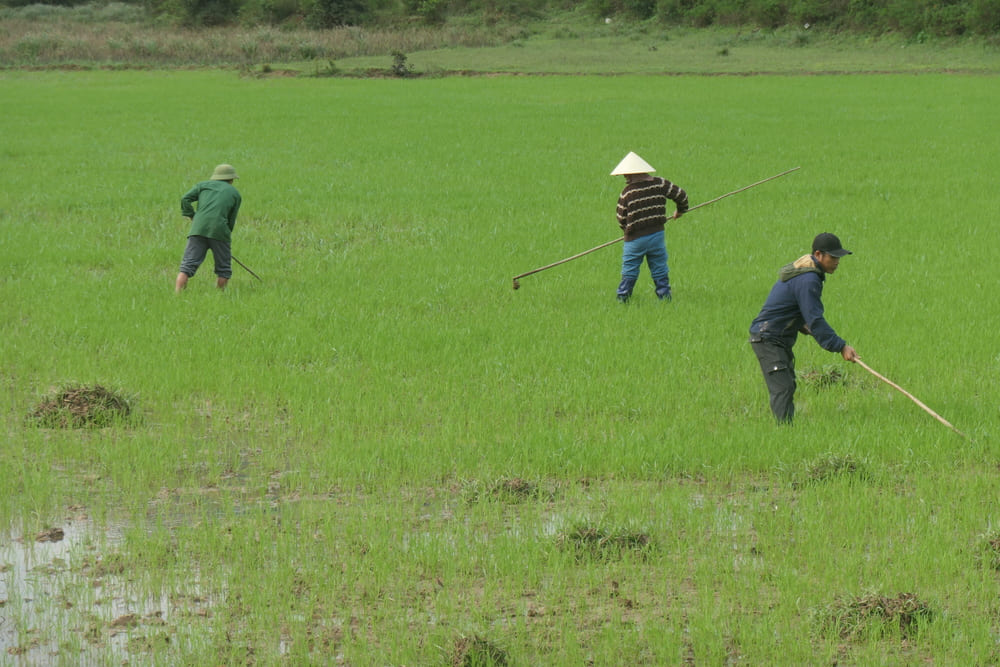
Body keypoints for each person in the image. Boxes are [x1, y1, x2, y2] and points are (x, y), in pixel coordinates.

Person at [749, 232, 859, 423]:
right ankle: (784, 433)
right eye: (833, 257)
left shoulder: (805, 274)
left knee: (788, 385)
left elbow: (796, 311)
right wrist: (841, 346)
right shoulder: (808, 280)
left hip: (776, 336)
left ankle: (786, 430)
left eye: (838, 257)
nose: (837, 262)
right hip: (768, 337)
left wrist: (804, 326)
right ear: (818, 255)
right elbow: (815, 319)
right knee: (782, 387)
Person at [610, 151, 689, 302]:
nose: (625, 177)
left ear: (633, 174)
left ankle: (623, 298)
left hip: (634, 240)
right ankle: (665, 297)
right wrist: (680, 211)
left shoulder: (627, 193)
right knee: (659, 266)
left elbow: (621, 217)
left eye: (626, 174)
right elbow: (681, 195)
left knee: (630, 269)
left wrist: (627, 232)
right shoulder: (660, 183)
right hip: (657, 235)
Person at [175, 164, 242, 292]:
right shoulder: (235, 193)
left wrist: (191, 216)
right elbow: (231, 219)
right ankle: (219, 296)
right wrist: (225, 238)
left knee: (187, 267)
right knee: (224, 269)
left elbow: (185, 199)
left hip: (197, 230)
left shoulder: (203, 186)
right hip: (220, 232)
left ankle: (177, 294)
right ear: (231, 179)